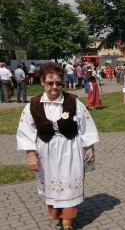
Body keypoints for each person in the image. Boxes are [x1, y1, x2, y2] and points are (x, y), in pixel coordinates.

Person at [16, 62, 99, 230]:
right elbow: (26, 132)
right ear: (42, 82)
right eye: (50, 83)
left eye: (58, 83)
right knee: (52, 185)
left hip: (71, 149)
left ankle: (68, 222)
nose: (54, 87)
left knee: (70, 184)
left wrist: (90, 148)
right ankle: (58, 214)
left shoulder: (73, 101)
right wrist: (31, 155)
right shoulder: (33, 105)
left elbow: (86, 127)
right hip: (46, 153)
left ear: (63, 83)